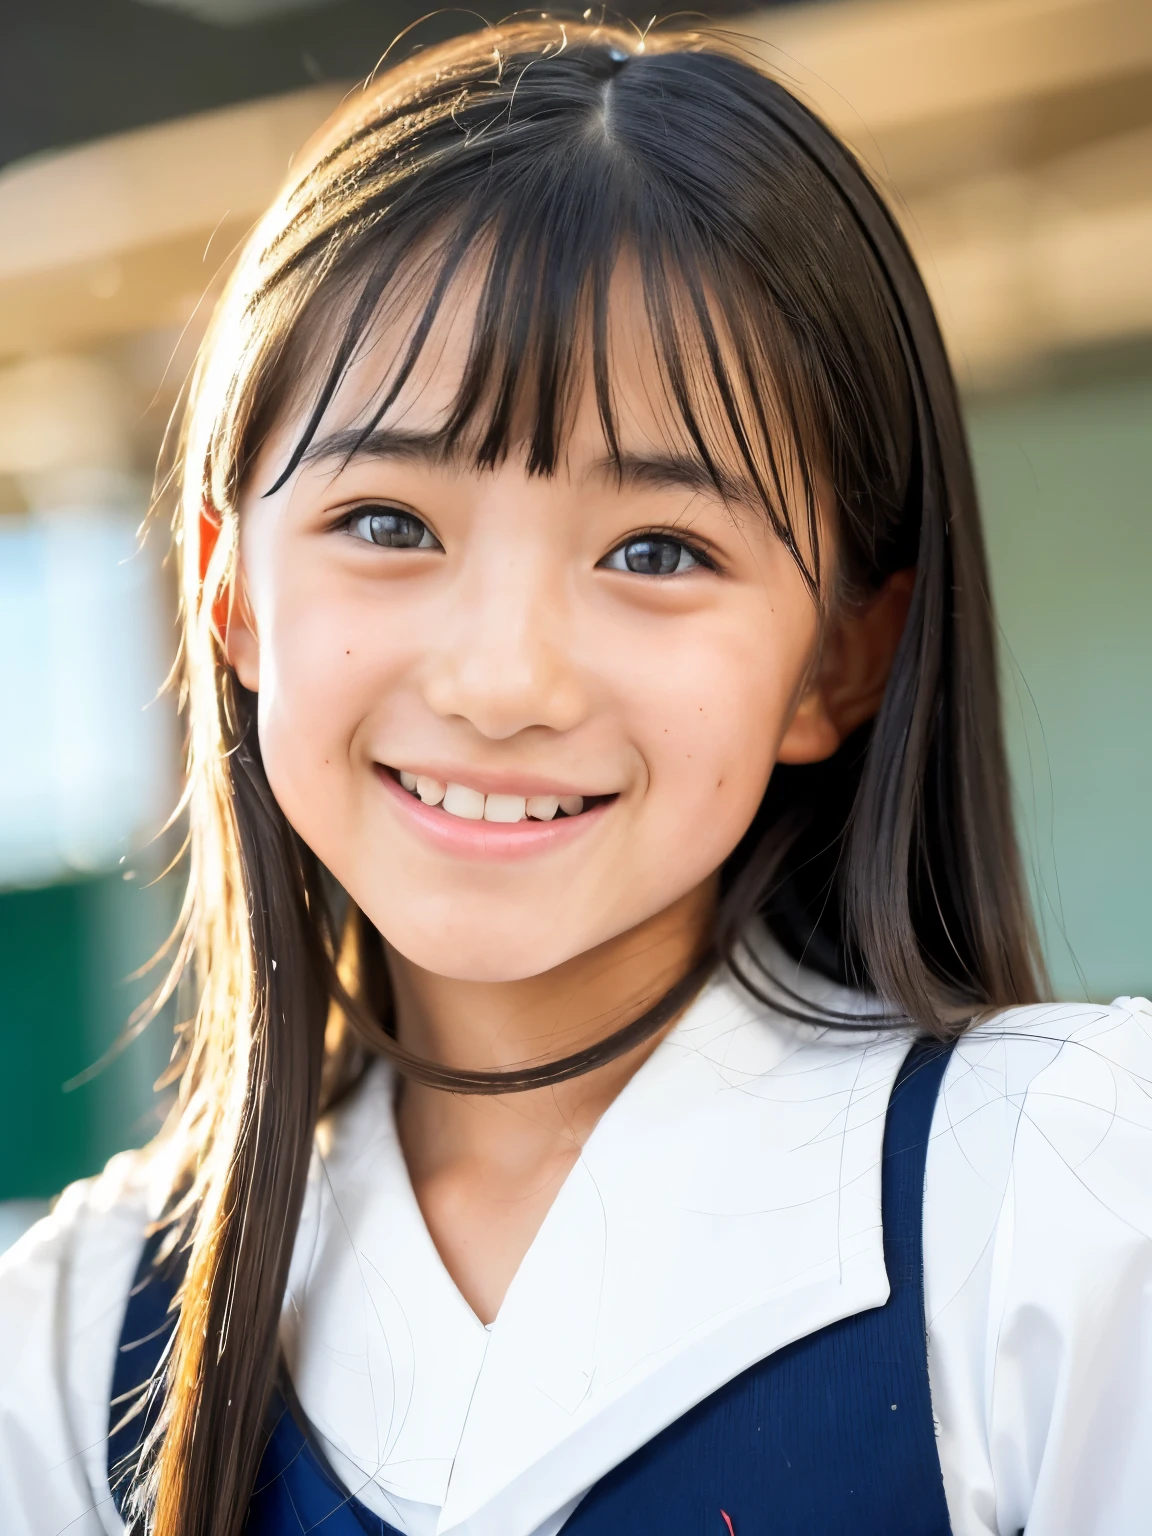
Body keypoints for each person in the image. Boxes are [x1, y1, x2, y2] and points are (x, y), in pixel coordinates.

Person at [1, 19, 1149, 1536]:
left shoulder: (1058, 1206)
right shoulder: (75, 1352)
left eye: (657, 552)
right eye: (392, 524)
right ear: (230, 595)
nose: (503, 681)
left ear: (840, 662)